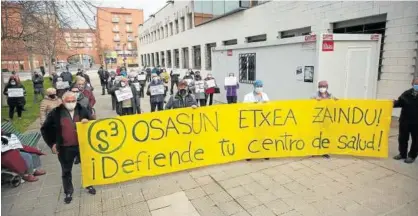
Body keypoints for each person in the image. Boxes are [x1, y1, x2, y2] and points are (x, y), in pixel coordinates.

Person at [41, 92, 96, 204]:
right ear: (63, 101)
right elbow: (45, 129)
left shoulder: (82, 109)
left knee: (86, 167)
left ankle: (89, 184)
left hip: (82, 146)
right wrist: (52, 144)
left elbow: (93, 123)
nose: (71, 103)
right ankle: (68, 191)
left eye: (73, 101)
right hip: (65, 147)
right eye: (68, 101)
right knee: (66, 170)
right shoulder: (55, 113)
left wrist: (87, 121)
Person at [393, 77, 418, 164]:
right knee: (402, 138)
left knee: (416, 140)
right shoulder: (406, 94)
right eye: (416, 84)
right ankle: (402, 154)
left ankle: (412, 156)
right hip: (405, 121)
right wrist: (391, 103)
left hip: (416, 123)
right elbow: (400, 102)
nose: (417, 86)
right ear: (412, 84)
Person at [311, 80, 337, 159]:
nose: (322, 88)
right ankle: (314, 151)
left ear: (327, 87)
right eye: (321, 86)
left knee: (325, 135)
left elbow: (336, 102)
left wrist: (337, 101)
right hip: (317, 119)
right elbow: (309, 104)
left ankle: (324, 152)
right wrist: (315, 101)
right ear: (318, 87)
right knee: (316, 135)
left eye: (324, 86)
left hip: (326, 119)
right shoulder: (314, 95)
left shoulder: (330, 95)